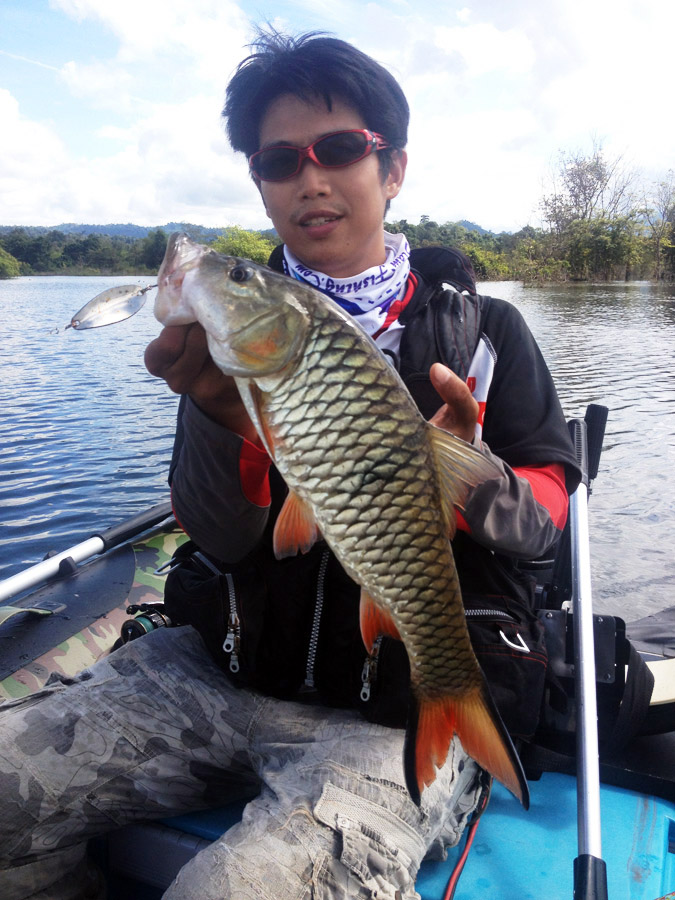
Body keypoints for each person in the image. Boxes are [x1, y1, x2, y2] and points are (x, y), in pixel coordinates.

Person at [0, 31, 580, 900]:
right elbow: (223, 536)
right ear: (261, 185)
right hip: (217, 672)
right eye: (278, 161)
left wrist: (471, 480)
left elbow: (548, 507)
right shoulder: (232, 336)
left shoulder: (485, 333)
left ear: (392, 169)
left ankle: (451, 728)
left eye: (340, 150)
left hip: (392, 713)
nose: (310, 178)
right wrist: (221, 418)